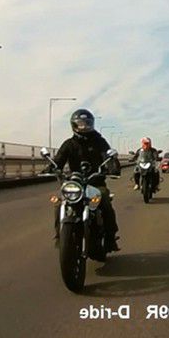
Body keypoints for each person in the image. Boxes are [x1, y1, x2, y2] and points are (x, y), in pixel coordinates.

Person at [51, 108, 121, 252]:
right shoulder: (69, 144)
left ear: (92, 124)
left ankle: (110, 238)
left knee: (105, 201)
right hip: (75, 183)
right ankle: (59, 236)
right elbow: (58, 160)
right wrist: (50, 168)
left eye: (87, 123)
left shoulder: (99, 141)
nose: (84, 127)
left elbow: (107, 156)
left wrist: (113, 167)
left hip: (95, 182)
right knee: (59, 204)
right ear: (74, 125)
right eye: (81, 124)